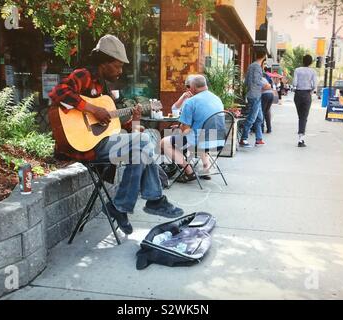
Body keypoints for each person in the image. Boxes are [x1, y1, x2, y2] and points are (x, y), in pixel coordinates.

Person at [49, 35, 183, 235]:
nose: (121, 71)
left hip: (102, 143)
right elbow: (59, 92)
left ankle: (121, 207)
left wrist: (135, 118)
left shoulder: (105, 91)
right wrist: (92, 108)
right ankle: (152, 200)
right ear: (104, 63)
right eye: (117, 66)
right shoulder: (83, 75)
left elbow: (129, 129)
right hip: (84, 146)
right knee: (142, 144)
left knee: (141, 146)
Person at [160, 74, 224, 182]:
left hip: (200, 141)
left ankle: (189, 172)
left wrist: (179, 129)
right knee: (201, 134)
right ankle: (206, 168)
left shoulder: (191, 102)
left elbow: (185, 130)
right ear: (205, 85)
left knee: (164, 142)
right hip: (218, 141)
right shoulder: (217, 98)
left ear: (193, 88)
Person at [239, 51, 272, 148]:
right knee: (252, 118)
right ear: (264, 56)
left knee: (259, 118)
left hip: (252, 94)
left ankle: (259, 139)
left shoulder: (251, 66)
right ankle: (243, 139)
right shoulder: (257, 67)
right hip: (255, 95)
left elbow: (246, 81)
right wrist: (266, 85)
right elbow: (257, 80)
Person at [292, 54, 318, 147]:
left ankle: (301, 136)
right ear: (310, 62)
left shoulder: (297, 70)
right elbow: (315, 85)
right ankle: (301, 139)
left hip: (298, 94)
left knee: (300, 116)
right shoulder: (313, 72)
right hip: (307, 94)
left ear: (303, 61)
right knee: (304, 117)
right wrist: (310, 91)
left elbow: (294, 83)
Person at [262, 67, 275, 133]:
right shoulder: (266, 78)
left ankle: (261, 128)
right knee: (267, 112)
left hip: (265, 95)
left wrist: (262, 89)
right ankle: (269, 128)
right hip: (271, 94)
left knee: (262, 112)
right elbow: (271, 86)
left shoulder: (259, 78)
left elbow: (268, 86)